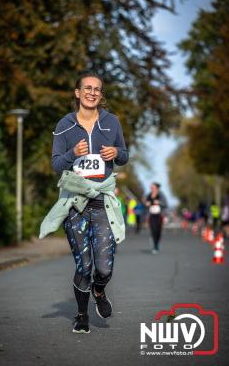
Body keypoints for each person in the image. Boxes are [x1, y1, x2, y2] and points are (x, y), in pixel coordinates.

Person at [39, 72, 128, 333]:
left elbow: (124, 155)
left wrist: (117, 153)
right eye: (87, 88)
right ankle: (81, 315)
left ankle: (99, 292)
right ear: (77, 92)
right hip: (75, 205)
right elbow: (56, 163)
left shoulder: (112, 122)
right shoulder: (65, 125)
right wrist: (71, 154)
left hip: (102, 203)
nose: (92, 92)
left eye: (97, 89)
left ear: (101, 95)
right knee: (84, 265)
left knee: (103, 267)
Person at [145, 182, 167, 254]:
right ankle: (154, 246)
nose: (152, 189)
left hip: (159, 215)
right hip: (151, 215)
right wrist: (147, 204)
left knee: (158, 231)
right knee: (153, 230)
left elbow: (165, 204)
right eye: (151, 188)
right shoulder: (149, 195)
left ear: (157, 188)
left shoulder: (161, 195)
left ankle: (157, 243)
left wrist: (159, 202)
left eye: (153, 187)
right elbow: (145, 203)